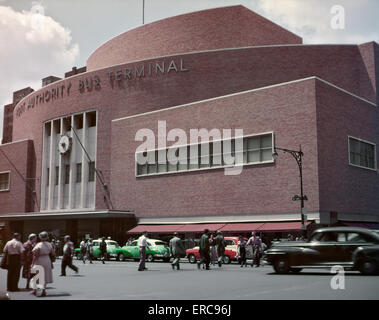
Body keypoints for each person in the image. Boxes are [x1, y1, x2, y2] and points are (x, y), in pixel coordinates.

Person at [31, 231, 55, 297]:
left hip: (39, 260)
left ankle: (35, 290)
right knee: (45, 275)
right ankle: (44, 291)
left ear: (40, 237)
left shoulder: (38, 245)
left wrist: (32, 263)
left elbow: (36, 255)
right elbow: (53, 253)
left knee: (37, 275)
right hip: (47, 259)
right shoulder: (49, 244)